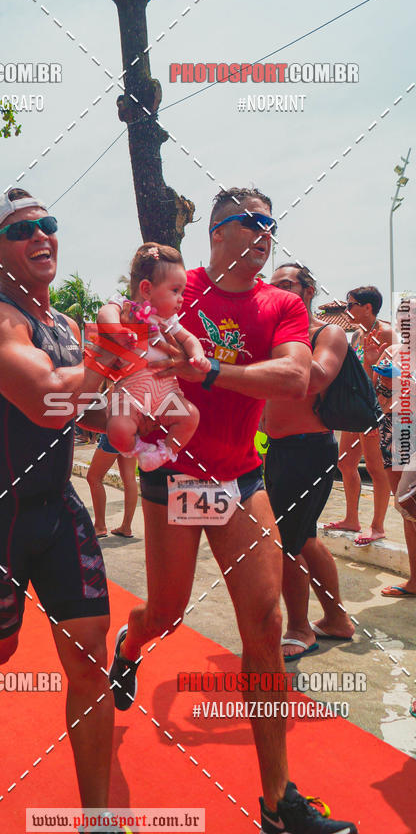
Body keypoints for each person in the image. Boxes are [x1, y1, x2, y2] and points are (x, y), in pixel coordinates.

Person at [108, 188, 358, 834]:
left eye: (272, 223)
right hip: (178, 478)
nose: (266, 232)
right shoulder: (177, 285)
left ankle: (277, 801)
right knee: (165, 611)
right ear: (218, 232)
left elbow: (294, 379)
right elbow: (124, 324)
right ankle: (131, 644)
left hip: (242, 479)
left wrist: (208, 372)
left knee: (265, 625)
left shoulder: (282, 305)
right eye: (252, 221)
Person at [0, 187, 120, 817]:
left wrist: (141, 393)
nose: (42, 236)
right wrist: (105, 357)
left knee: (92, 661)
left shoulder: (65, 327)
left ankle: (98, 822)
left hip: (58, 506)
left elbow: (87, 409)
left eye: (48, 224)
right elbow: (45, 398)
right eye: (23, 231)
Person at [263, 263, 355, 660]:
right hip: (279, 449)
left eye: (287, 285)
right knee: (307, 539)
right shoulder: (274, 335)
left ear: (308, 289)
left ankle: (301, 629)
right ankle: (337, 620)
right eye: (273, 287)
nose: (279, 293)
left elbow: (315, 379)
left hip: (310, 449)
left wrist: (286, 348)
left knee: (286, 543)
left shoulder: (326, 333)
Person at [96, 242, 210, 471]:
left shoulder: (169, 322)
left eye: (183, 292)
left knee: (190, 417)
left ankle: (165, 452)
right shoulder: (123, 306)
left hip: (166, 395)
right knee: (117, 428)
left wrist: (198, 356)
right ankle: (138, 449)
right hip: (130, 395)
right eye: (175, 291)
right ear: (147, 289)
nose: (181, 299)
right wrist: (118, 332)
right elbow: (104, 314)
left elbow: (189, 340)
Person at [324, 286, 392, 545]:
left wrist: (379, 416)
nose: (347, 310)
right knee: (345, 463)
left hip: (376, 412)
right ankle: (352, 518)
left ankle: (378, 526)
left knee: (376, 469)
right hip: (357, 409)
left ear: (368, 307)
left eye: (350, 304)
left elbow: (395, 379)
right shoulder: (356, 336)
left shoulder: (386, 333)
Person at [371, 297, 416, 597]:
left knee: (409, 501)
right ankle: (415, 579)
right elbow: (379, 391)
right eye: (402, 317)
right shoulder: (391, 352)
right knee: (405, 507)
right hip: (395, 427)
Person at [86, 433, 137, 538]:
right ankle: (126, 527)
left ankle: (100, 526)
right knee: (129, 479)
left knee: (94, 477)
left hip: (114, 430)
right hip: (133, 430)